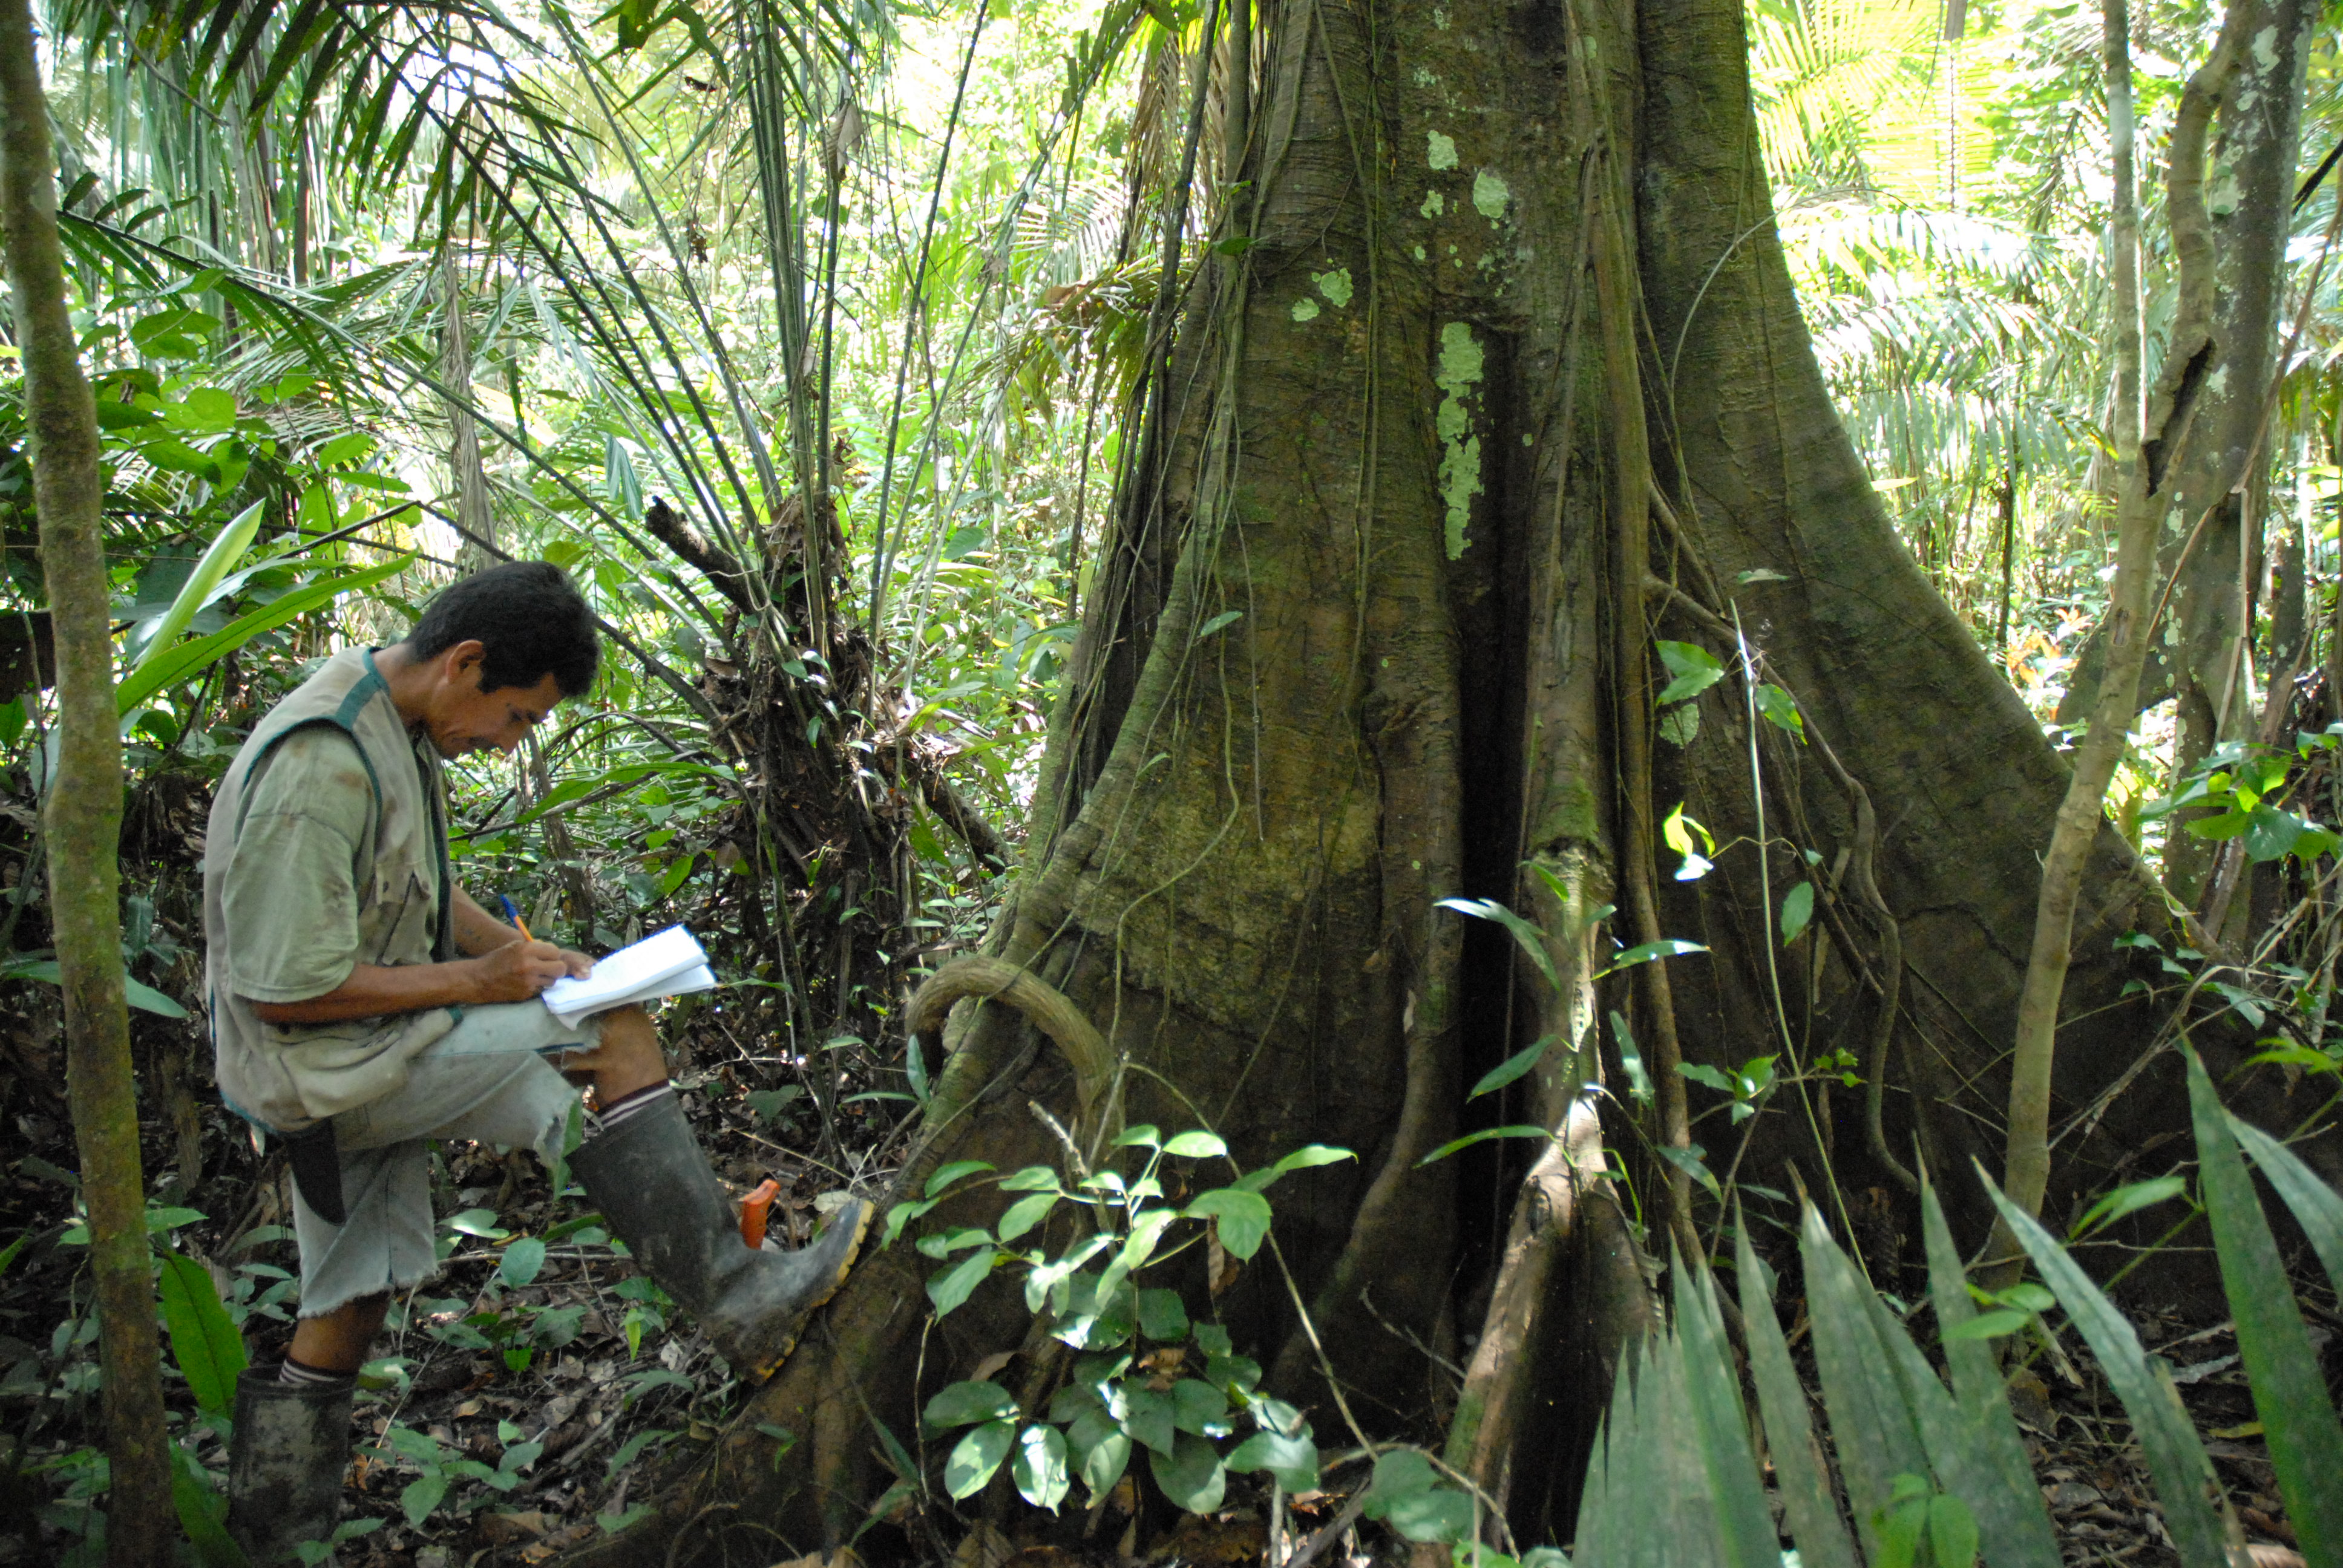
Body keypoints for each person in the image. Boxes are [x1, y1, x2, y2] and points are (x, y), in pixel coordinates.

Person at [202, 561, 868, 1563]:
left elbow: (420, 896)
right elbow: (283, 989)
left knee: (350, 1294)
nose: (510, 742)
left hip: (349, 1056)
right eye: (516, 717)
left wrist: (519, 958)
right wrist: (480, 987)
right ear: (465, 663)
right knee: (616, 1032)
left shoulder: (386, 713)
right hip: (323, 1069)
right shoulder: (323, 766)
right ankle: (741, 1300)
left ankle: (268, 1539)